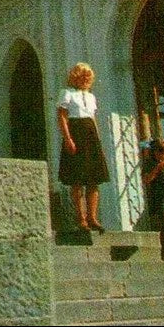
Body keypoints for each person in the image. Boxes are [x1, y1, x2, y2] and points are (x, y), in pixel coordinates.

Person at [57, 63, 109, 233]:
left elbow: (93, 119)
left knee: (94, 179)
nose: (86, 80)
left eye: (88, 77)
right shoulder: (67, 93)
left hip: (90, 136)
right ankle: (81, 219)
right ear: (75, 78)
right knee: (77, 179)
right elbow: (62, 117)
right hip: (76, 133)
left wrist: (98, 141)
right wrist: (68, 139)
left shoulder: (91, 97)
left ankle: (93, 218)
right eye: (83, 76)